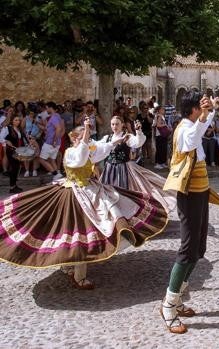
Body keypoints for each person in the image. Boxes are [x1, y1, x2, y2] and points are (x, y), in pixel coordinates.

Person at [0, 118, 168, 290]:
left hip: (90, 190)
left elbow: (103, 149)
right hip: (76, 194)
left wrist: (116, 140)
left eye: (87, 138)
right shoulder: (72, 152)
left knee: (86, 228)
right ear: (75, 139)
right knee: (77, 232)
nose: (87, 140)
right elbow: (81, 157)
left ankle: (73, 268)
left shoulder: (87, 150)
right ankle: (74, 271)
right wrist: (87, 131)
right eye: (83, 137)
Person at [160, 92, 219, 334]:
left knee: (198, 248)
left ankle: (179, 297)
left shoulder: (193, 124)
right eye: (200, 108)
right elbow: (192, 140)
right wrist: (206, 115)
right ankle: (168, 305)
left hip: (200, 193)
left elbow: (200, 131)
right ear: (193, 109)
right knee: (187, 248)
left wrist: (210, 111)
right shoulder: (184, 129)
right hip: (189, 195)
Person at [97, 116, 176, 215]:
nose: (115, 126)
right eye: (113, 124)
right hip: (109, 170)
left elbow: (138, 142)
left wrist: (138, 131)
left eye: (117, 124)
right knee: (108, 193)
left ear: (122, 125)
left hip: (123, 169)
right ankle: (114, 215)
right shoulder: (107, 138)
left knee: (124, 192)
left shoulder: (127, 137)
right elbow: (98, 147)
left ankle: (126, 213)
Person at [0, 115, 29, 193]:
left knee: (17, 168)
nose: (17, 122)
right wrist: (6, 141)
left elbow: (22, 139)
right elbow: (1, 138)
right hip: (11, 151)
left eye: (18, 120)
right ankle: (12, 187)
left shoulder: (19, 129)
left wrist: (26, 145)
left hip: (19, 151)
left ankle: (14, 185)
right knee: (14, 167)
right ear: (12, 121)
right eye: (15, 120)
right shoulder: (7, 128)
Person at [38, 102, 64, 180]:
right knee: (52, 159)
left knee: (41, 159)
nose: (46, 110)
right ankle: (57, 176)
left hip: (50, 142)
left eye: (47, 108)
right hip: (55, 142)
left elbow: (59, 128)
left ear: (50, 108)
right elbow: (53, 129)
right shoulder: (57, 116)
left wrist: (54, 141)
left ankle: (55, 174)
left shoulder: (54, 118)